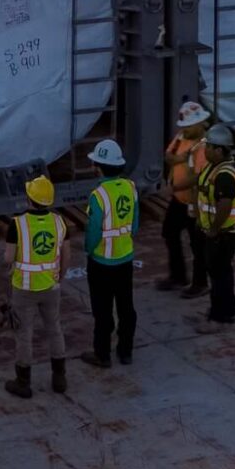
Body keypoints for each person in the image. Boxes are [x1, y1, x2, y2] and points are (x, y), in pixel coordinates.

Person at [4, 174, 70, 398]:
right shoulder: (59, 222)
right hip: (51, 287)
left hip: (24, 289)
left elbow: (7, 257)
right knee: (54, 328)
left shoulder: (17, 224)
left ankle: (23, 382)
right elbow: (66, 255)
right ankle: (59, 378)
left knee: (24, 334)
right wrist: (59, 277)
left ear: (29, 198)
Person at [80, 138, 138, 368]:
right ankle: (126, 351)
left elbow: (93, 231)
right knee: (126, 306)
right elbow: (135, 224)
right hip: (125, 259)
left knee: (102, 310)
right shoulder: (131, 187)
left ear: (98, 166)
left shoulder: (98, 196)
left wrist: (89, 249)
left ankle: (102, 354)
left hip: (101, 262)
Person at [194, 123, 235, 326]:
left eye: (208, 147)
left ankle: (219, 316)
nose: (205, 150)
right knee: (222, 272)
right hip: (220, 232)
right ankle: (227, 309)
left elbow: (224, 205)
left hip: (224, 233)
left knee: (219, 274)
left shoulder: (224, 175)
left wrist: (214, 229)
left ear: (218, 150)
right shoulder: (215, 168)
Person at [158, 99, 212, 296]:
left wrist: (173, 188)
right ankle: (178, 276)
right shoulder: (182, 137)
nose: (185, 130)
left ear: (200, 124)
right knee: (169, 233)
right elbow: (169, 156)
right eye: (184, 126)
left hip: (196, 202)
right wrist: (181, 158)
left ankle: (200, 283)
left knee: (198, 244)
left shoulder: (204, 147)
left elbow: (198, 178)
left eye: (189, 126)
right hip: (180, 200)